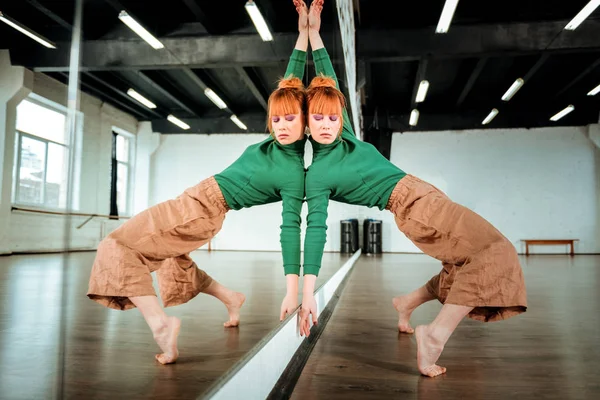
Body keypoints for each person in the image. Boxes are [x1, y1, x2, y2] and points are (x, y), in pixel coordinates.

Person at [299, 0, 527, 377]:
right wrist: (306, 293)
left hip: (423, 194)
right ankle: (435, 335)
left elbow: (328, 81)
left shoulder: (347, 139)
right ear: (307, 123)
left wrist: (313, 33)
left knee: (462, 263)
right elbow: (315, 229)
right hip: (412, 206)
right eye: (317, 119)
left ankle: (408, 302)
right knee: (494, 252)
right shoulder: (319, 173)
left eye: (332, 117)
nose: (326, 124)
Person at [87, 4, 310, 364]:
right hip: (199, 201)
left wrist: (294, 291)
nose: (282, 125)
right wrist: (304, 32)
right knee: (176, 265)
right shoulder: (276, 141)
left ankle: (160, 325)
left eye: (290, 120)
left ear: (308, 123)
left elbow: (290, 228)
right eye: (277, 118)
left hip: (201, 208)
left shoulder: (294, 173)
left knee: (117, 247)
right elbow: (292, 82)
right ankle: (230, 297)